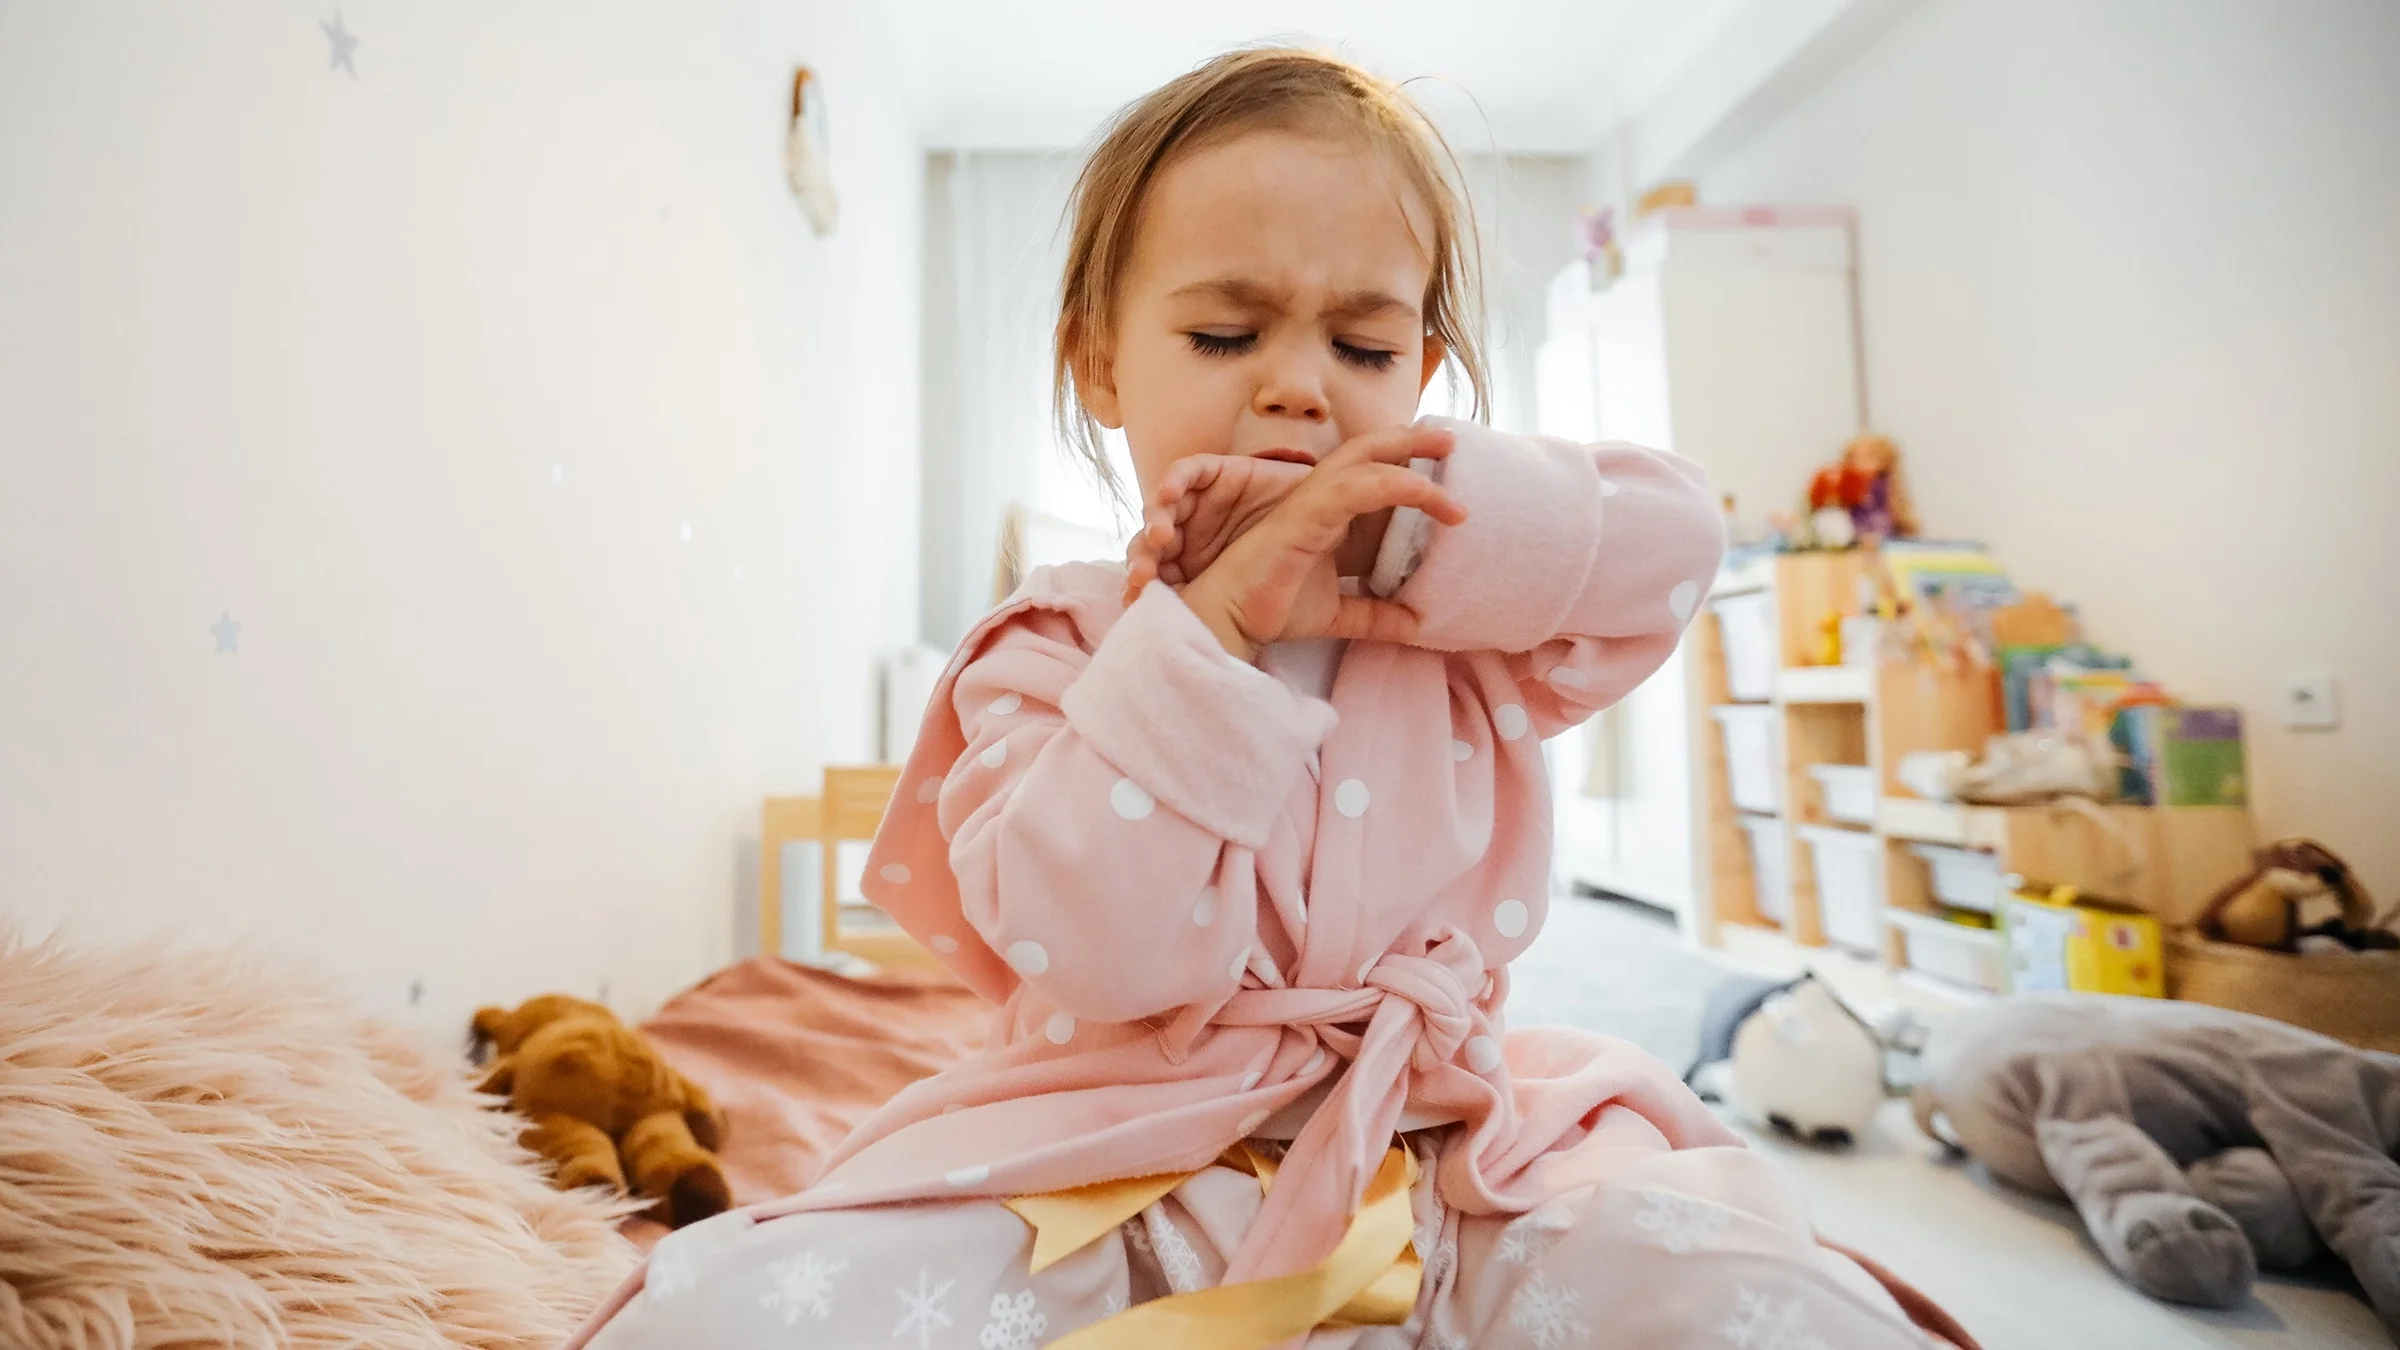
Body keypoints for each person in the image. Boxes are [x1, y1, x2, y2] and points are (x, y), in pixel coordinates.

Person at [568, 46, 1959, 1350]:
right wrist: (1211, 630)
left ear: (1423, 374)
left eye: (1363, 352)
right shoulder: (1057, 637)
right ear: (1101, 365)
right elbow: (1104, 949)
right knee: (739, 1310)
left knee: (1757, 1295)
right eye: (1228, 333)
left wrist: (1414, 539)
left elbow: (1676, 542)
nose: (1299, 388)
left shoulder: (1464, 612)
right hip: (1116, 1152)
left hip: (1446, 1149)